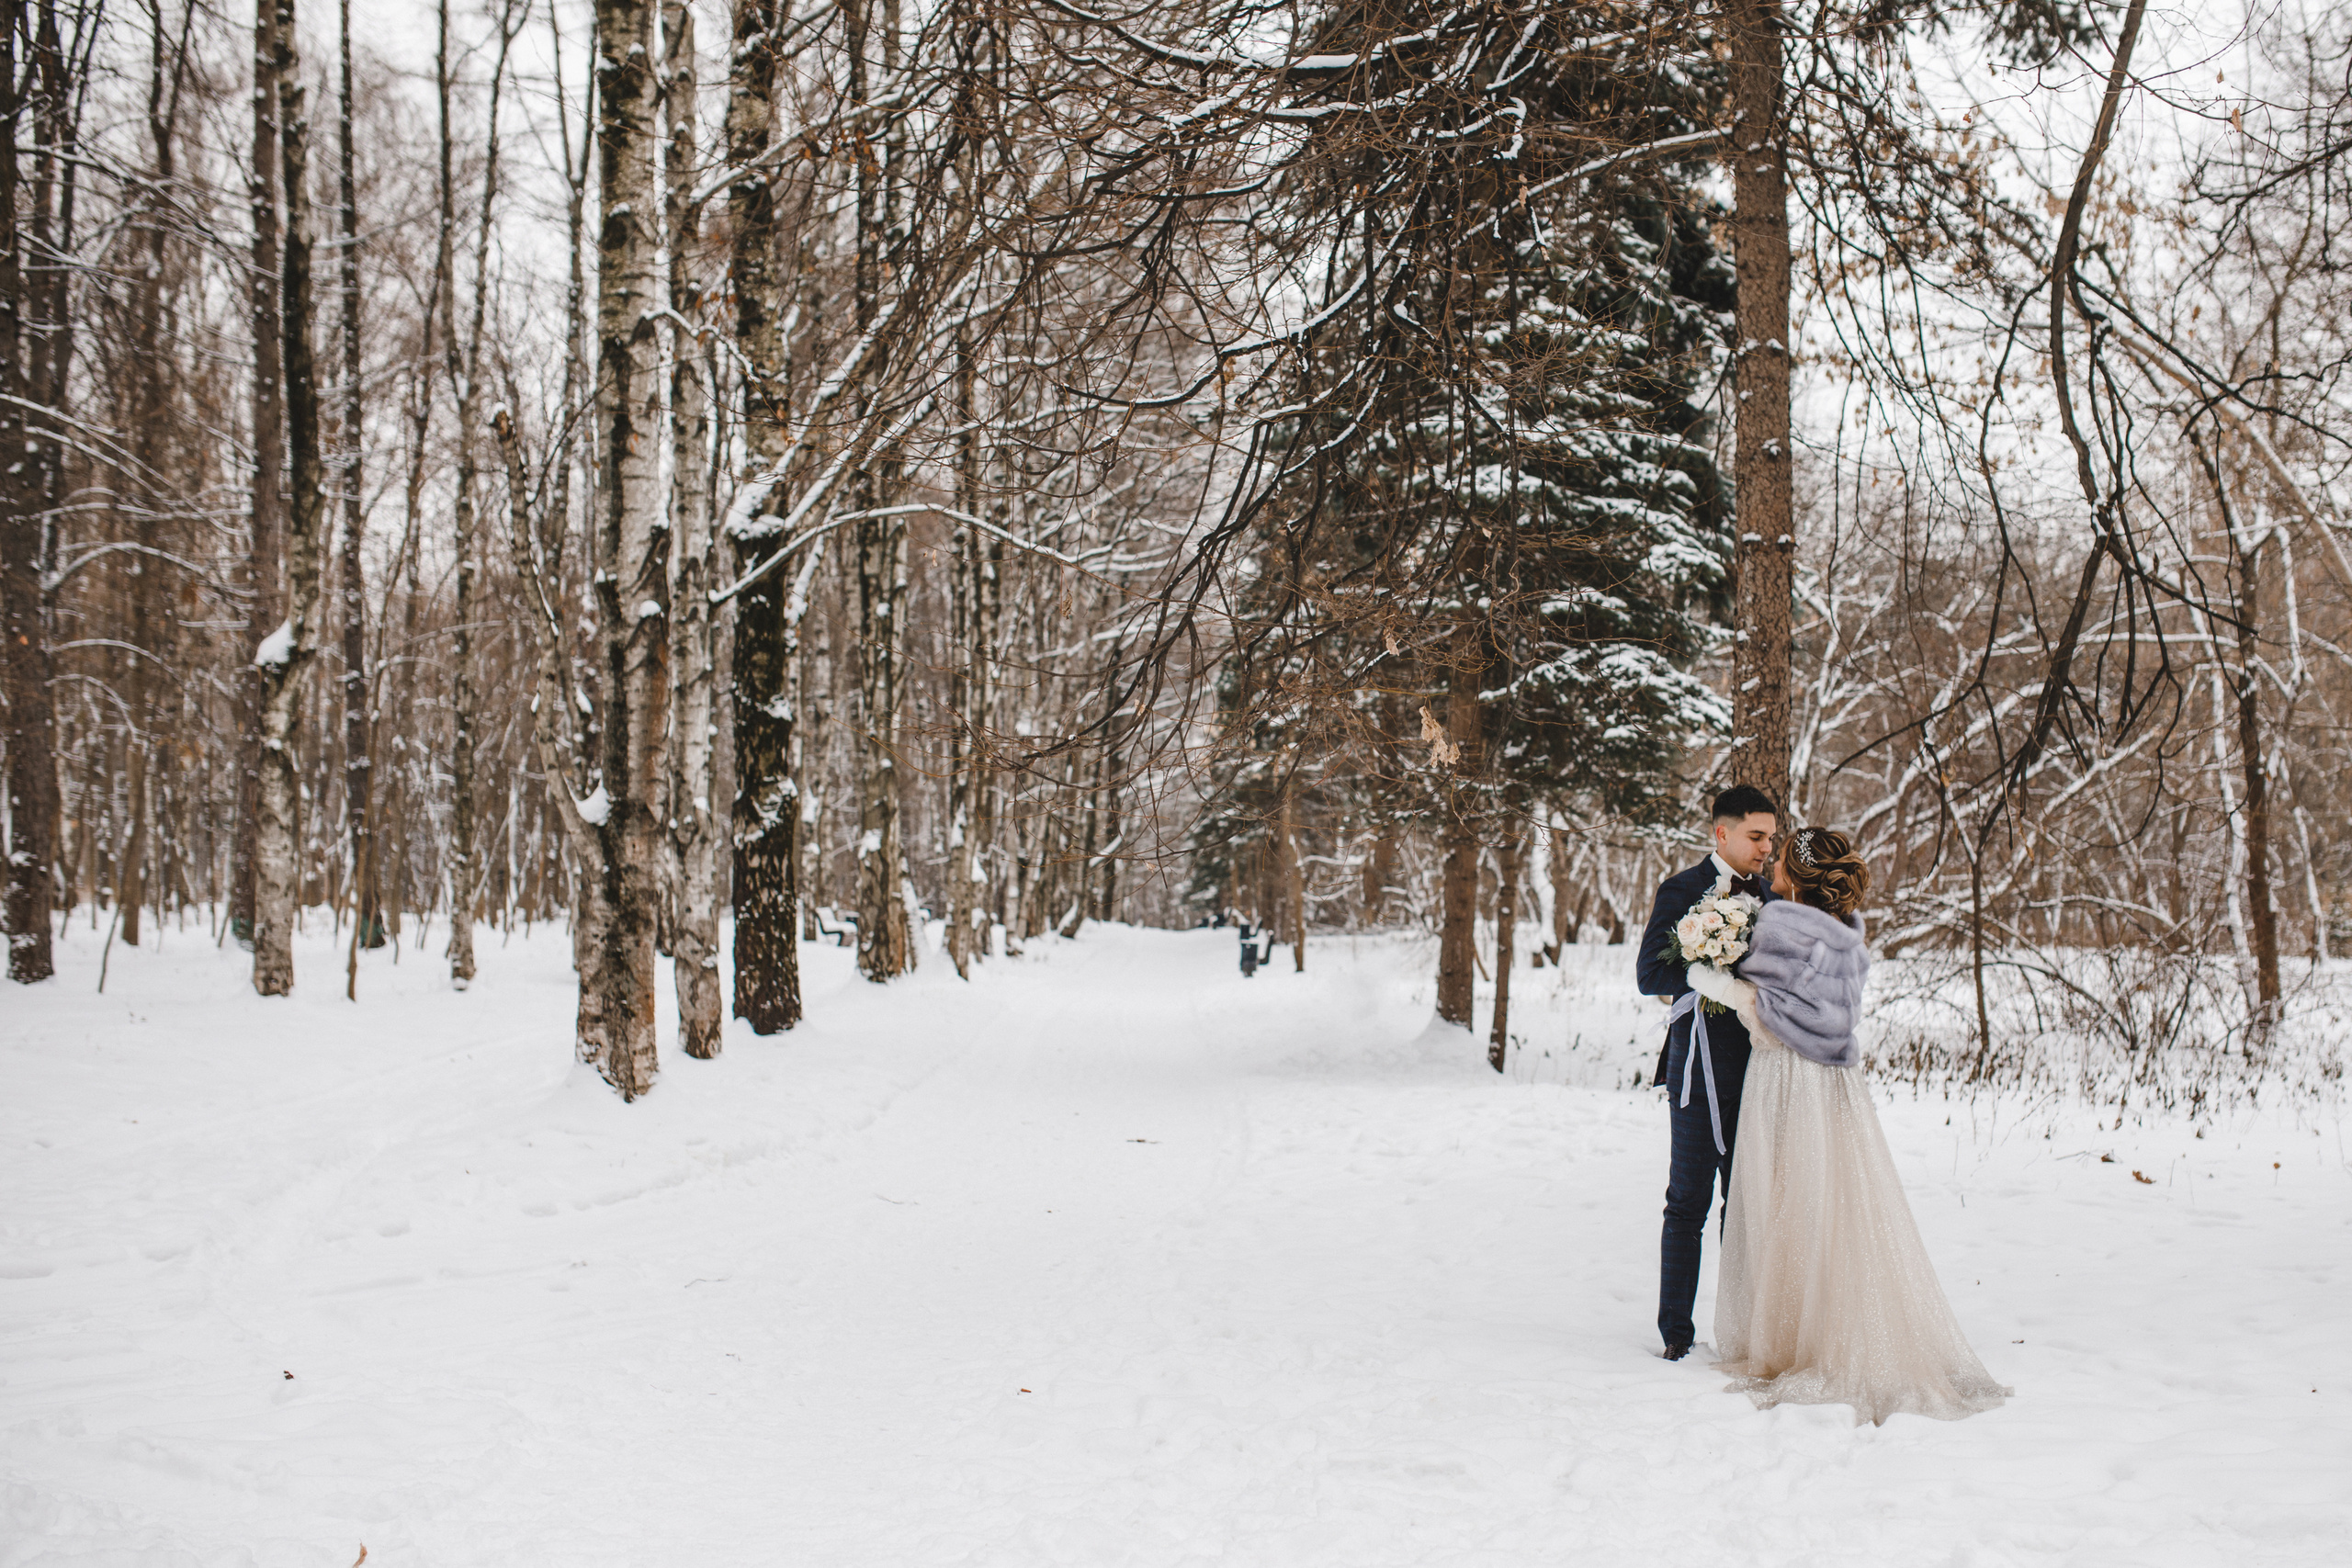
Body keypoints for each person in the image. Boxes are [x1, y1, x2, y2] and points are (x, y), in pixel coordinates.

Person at [1686, 827, 2008, 1425]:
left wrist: (1712, 981)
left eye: (1781, 856)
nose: (1773, 860)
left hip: (1786, 1078)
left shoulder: (1781, 924)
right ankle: (1817, 1327)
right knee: (1828, 1201)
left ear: (1797, 874)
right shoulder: (1846, 936)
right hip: (1834, 1082)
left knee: (1787, 1199)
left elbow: (1771, 1012)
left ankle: (1796, 1341)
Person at [1635, 784, 1779, 1361]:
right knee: (1687, 1202)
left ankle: (1741, 1330)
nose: (1768, 848)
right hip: (1695, 1072)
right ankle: (1676, 1332)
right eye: (1757, 836)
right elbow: (1649, 974)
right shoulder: (1683, 891)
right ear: (1722, 833)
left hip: (1761, 1070)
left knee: (1744, 1205)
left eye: (1771, 837)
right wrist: (1707, 974)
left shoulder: (1773, 897)